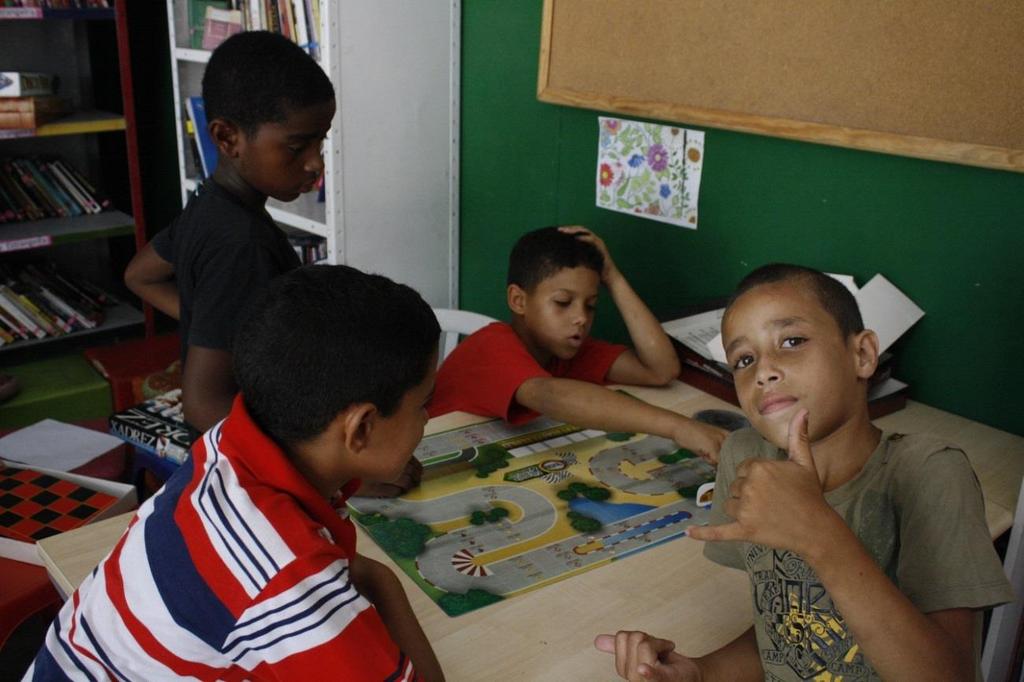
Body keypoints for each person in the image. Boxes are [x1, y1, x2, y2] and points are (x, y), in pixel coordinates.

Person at [594, 263, 1013, 681]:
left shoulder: (929, 472)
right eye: (743, 359)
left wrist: (818, 533)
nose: (763, 371)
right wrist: (700, 673)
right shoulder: (745, 459)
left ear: (862, 354)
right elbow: (787, 634)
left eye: (791, 341)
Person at [25, 265, 445, 681]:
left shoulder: (228, 442)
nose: (427, 418)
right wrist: (385, 582)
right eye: (424, 403)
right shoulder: (285, 577)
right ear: (362, 427)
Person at [123, 31, 415, 497]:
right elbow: (203, 404)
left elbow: (140, 274)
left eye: (320, 142)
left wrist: (215, 328)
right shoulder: (242, 243)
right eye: (297, 147)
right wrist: (341, 472)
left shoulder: (209, 206)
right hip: (250, 472)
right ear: (227, 137)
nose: (315, 164)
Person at [428, 225, 725, 462]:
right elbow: (549, 395)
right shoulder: (491, 346)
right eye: (563, 302)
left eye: (591, 305)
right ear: (518, 300)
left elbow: (661, 370)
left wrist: (614, 278)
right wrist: (678, 426)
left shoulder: (567, 349)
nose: (581, 318)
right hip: (426, 458)